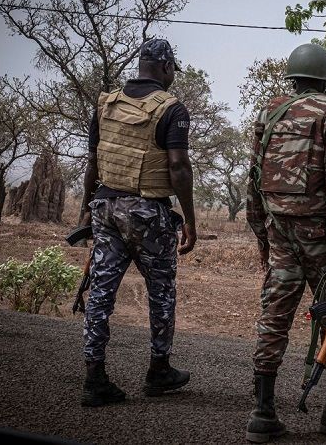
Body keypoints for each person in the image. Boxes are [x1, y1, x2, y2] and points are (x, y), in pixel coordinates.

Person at [245, 43, 326, 442]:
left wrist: (262, 237)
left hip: (280, 232)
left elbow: (253, 180)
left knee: (274, 316)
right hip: (320, 237)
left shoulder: (269, 111)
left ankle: (262, 414)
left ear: (292, 77)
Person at [79, 38, 197, 407]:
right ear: (165, 67)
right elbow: (178, 167)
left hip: (105, 207)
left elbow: (93, 163)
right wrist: (190, 220)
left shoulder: (106, 104)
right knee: (161, 292)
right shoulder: (172, 109)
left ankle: (94, 377)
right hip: (148, 213)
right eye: (173, 67)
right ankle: (159, 371)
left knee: (100, 292)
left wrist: (86, 206)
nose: (173, 73)